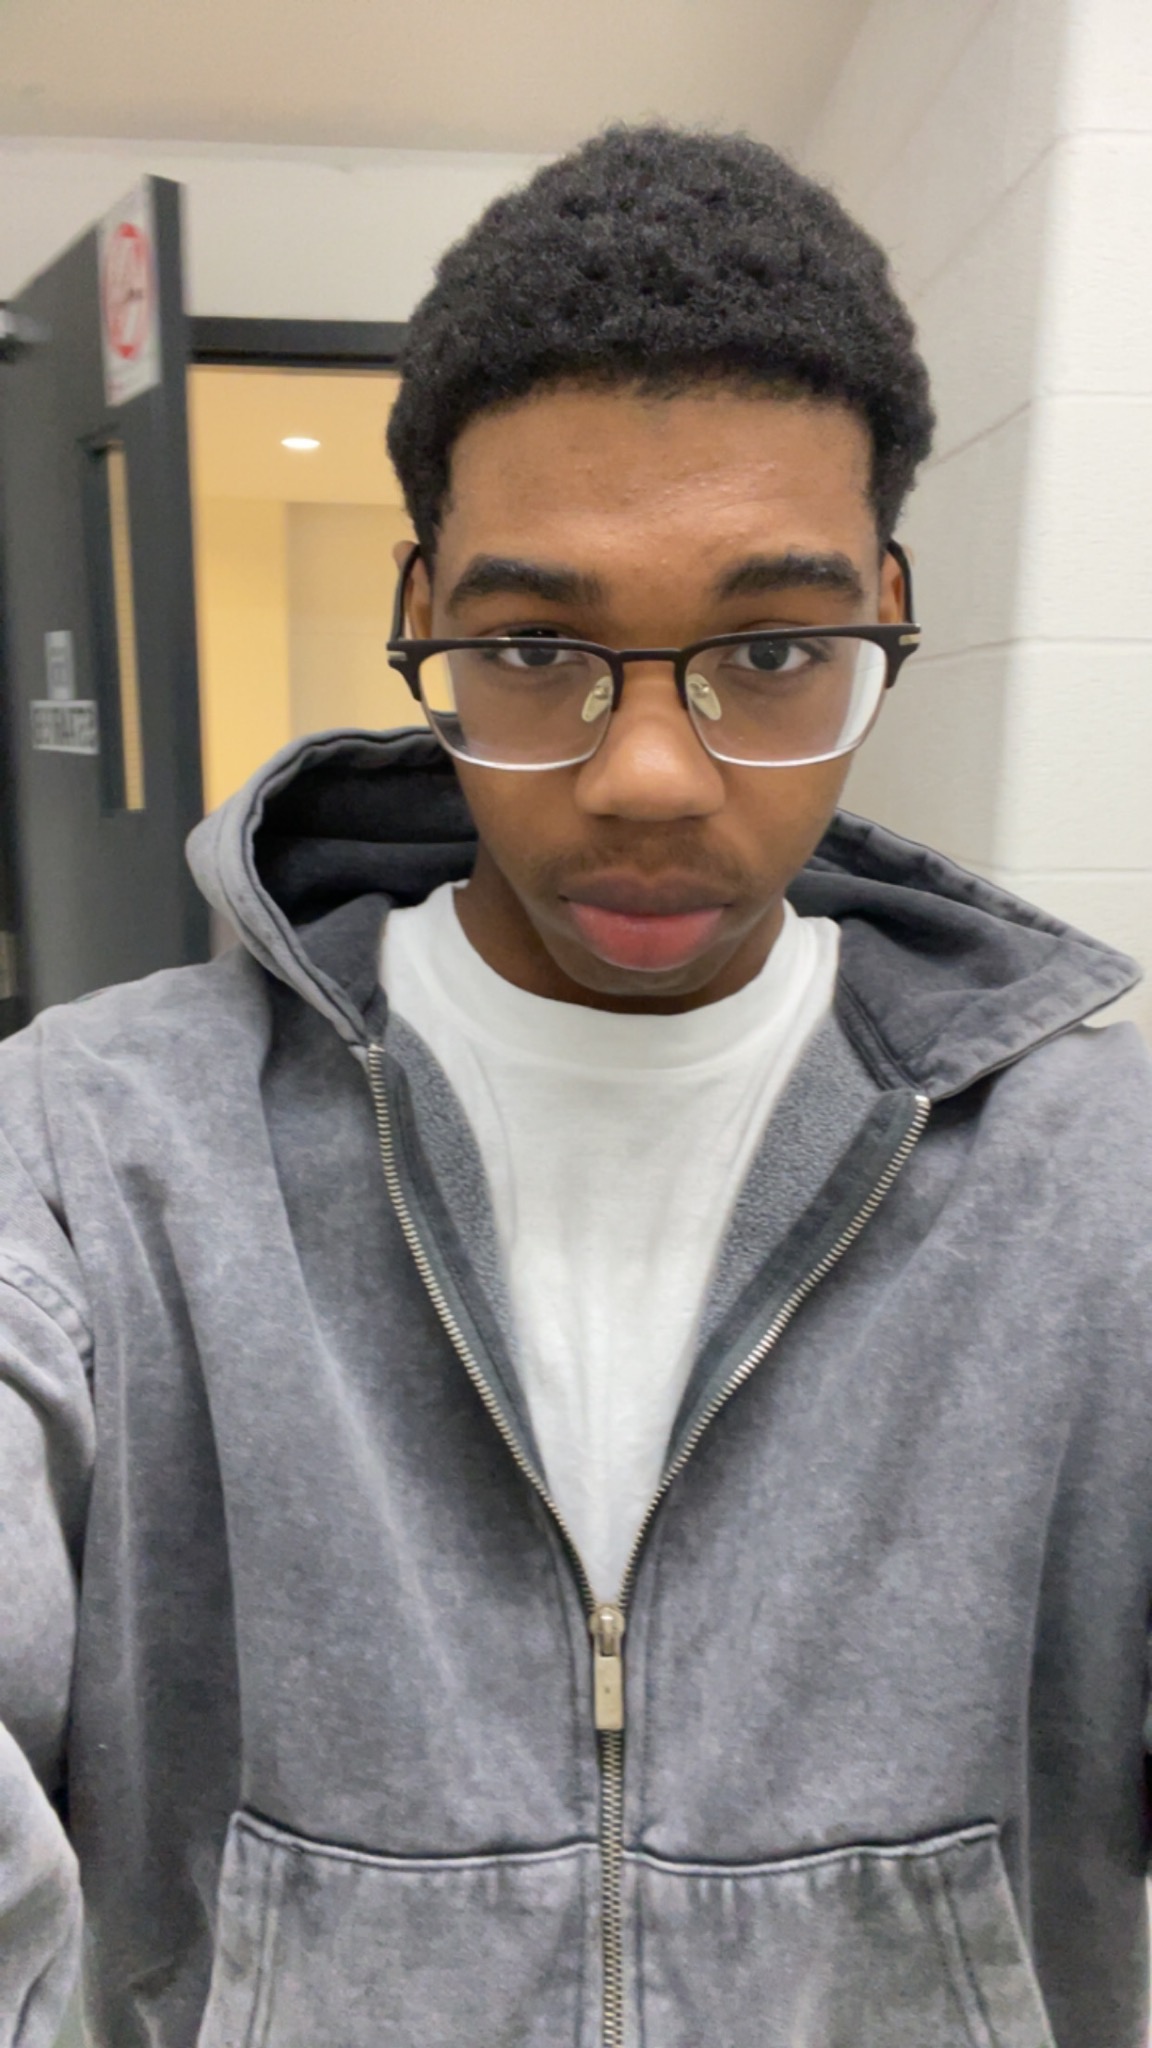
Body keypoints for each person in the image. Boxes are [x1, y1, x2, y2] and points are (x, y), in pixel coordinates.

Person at [2, 123, 1149, 2048]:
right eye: (538, 647)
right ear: (427, 608)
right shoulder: (93, 1143)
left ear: (885, 605)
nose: (649, 777)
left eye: (771, 650)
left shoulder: (1103, 1184)